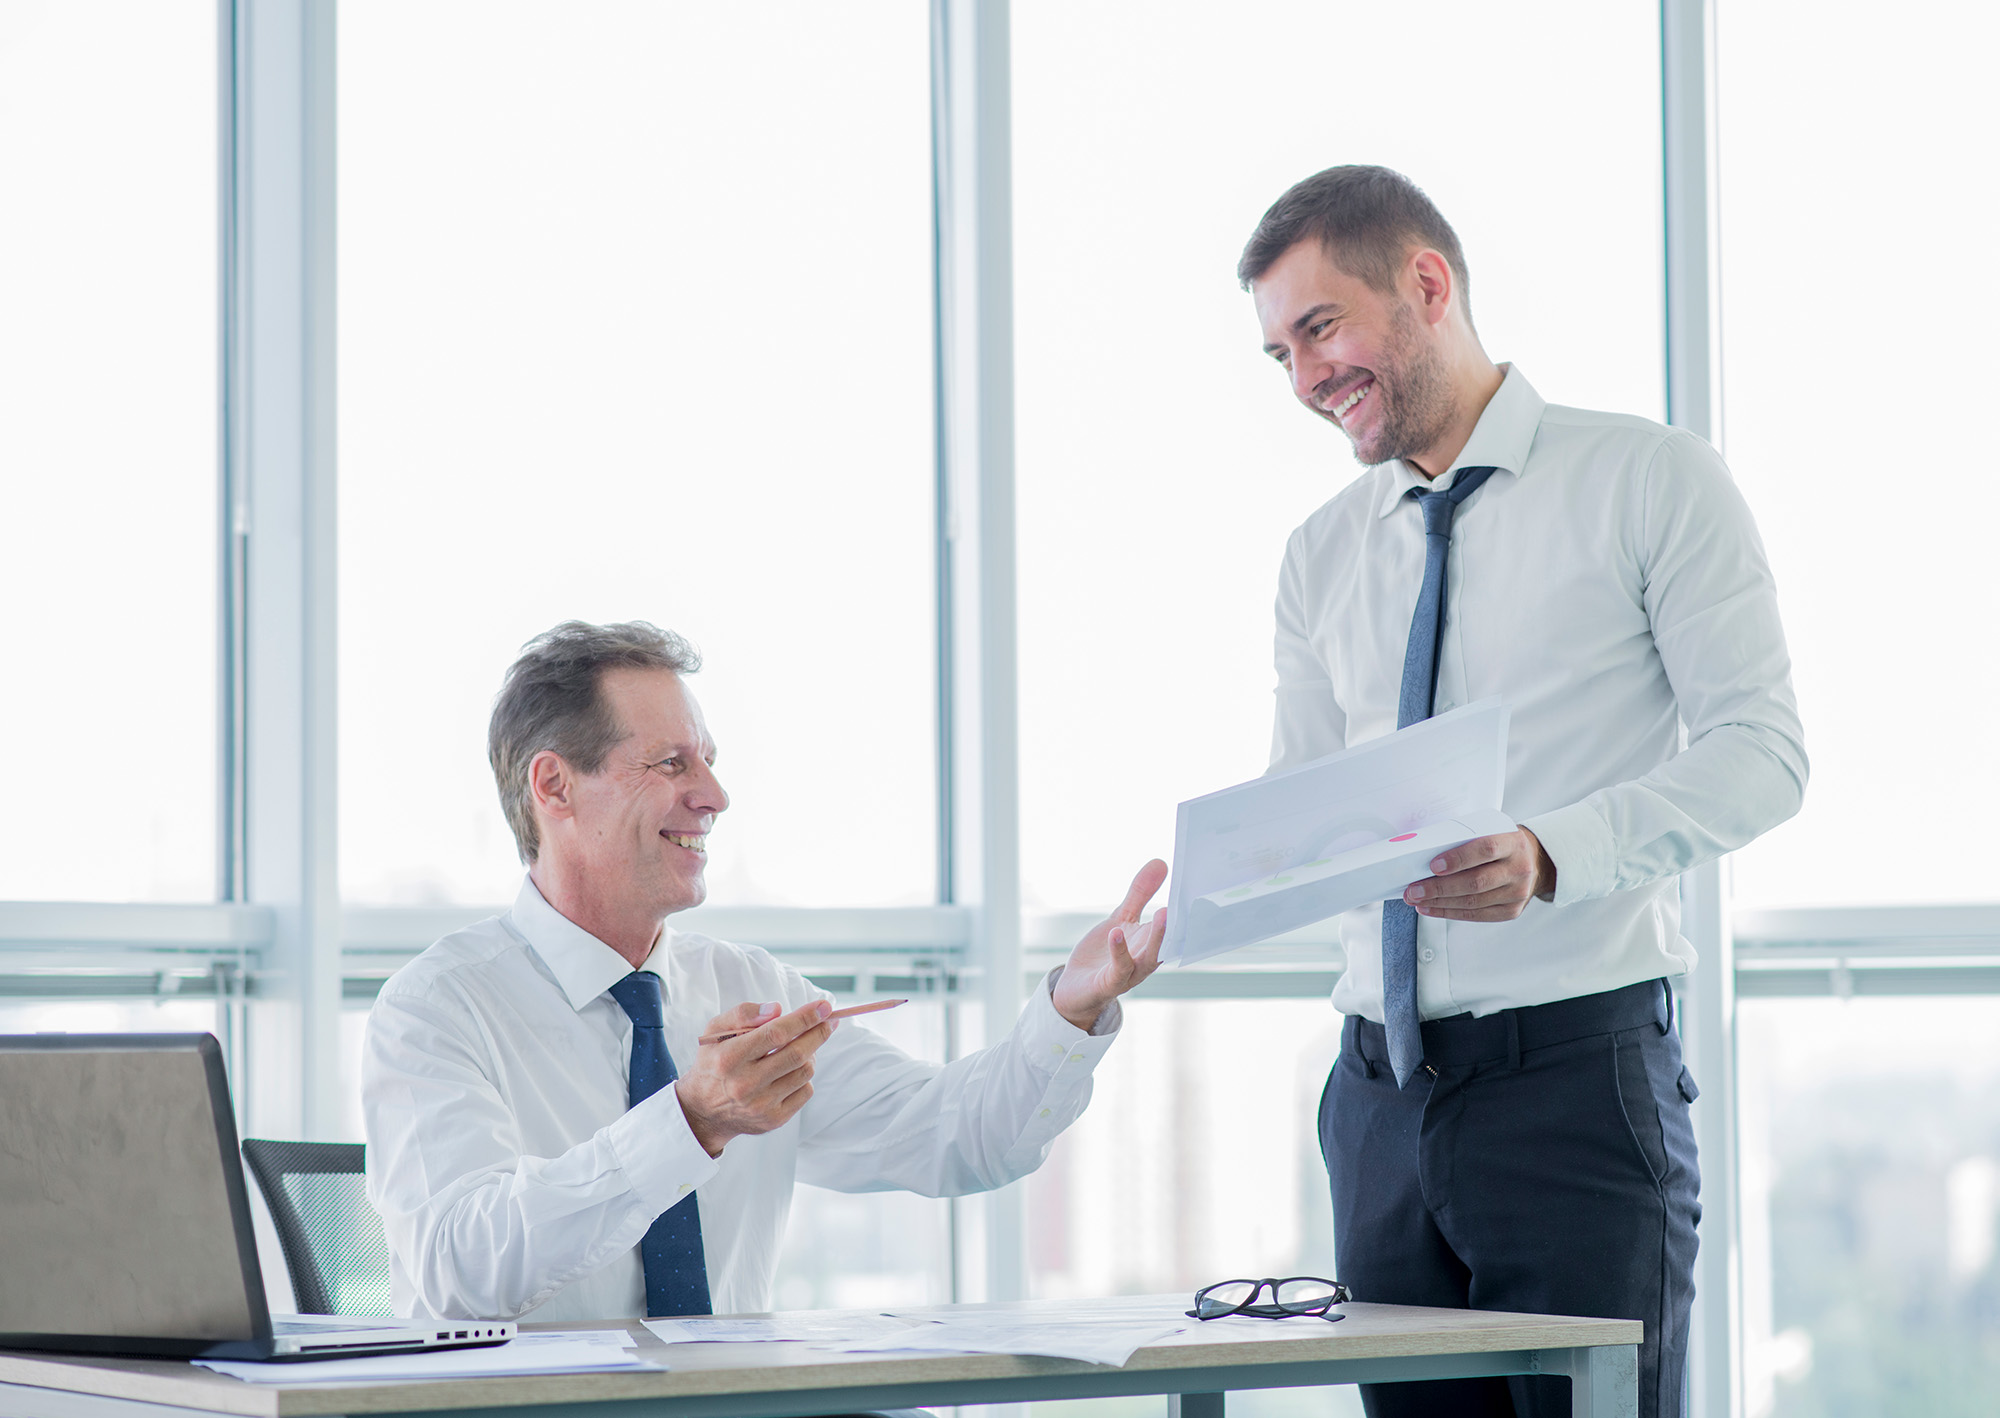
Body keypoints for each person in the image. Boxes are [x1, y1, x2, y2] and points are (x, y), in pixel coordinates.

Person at [1239, 166, 1807, 1418]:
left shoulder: (1649, 478)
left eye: (1320, 329)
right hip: (1374, 1102)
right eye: (1279, 353)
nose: (1304, 378)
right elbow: (1303, 800)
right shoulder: (1318, 554)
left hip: (1572, 1085)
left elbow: (1762, 749)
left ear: (1425, 284)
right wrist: (1218, 879)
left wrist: (1551, 850)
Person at [363, 620, 1167, 1322]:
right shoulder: (437, 1008)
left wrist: (1070, 1010)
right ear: (555, 785)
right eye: (671, 763)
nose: (714, 796)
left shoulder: (751, 992)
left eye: (708, 761)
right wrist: (690, 1122)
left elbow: (958, 1137)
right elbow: (460, 1274)